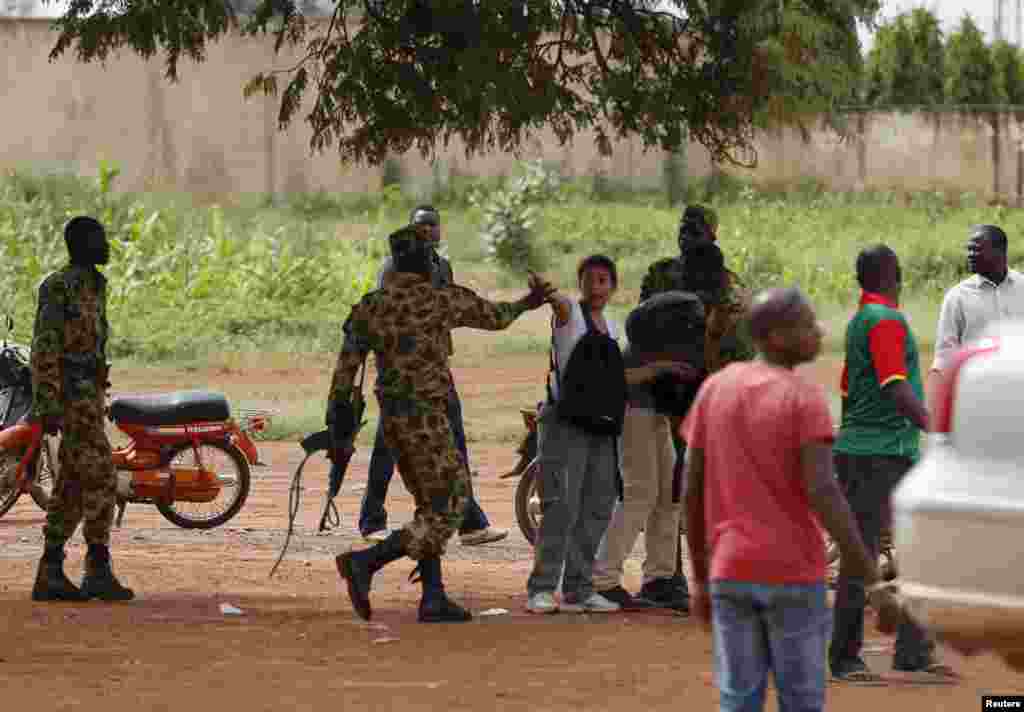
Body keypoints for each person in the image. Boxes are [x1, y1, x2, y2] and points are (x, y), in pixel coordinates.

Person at [331, 224, 555, 623]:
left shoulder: (370, 307)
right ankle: (366, 562)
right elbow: (495, 315)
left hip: (394, 422)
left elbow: (345, 374)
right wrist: (530, 301)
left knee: (428, 503)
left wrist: (338, 430)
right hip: (427, 417)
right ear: (426, 260)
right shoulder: (438, 300)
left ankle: (433, 597)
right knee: (452, 502)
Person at [683, 286, 887, 712]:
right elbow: (823, 491)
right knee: (801, 701)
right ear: (776, 335)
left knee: (738, 699)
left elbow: (692, 492)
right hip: (792, 573)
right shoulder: (803, 396)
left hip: (730, 571)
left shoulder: (715, 390)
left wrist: (702, 579)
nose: (818, 332)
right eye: (807, 325)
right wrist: (871, 578)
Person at [829, 244, 956, 681]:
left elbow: (848, 390)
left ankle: (912, 651)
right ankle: (846, 657)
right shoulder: (885, 320)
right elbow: (897, 389)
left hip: (877, 449)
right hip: (879, 453)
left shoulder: (860, 320)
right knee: (864, 555)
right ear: (894, 275)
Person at [359, 205, 507, 547]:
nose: (426, 231)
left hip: (436, 367)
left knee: (455, 439)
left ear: (439, 231)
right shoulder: (394, 267)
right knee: (387, 446)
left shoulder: (443, 267)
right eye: (419, 225)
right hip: (401, 373)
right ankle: (371, 520)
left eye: (431, 225)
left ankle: (471, 524)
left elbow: (451, 310)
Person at [29, 216, 134, 602]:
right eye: (100, 239)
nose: (106, 245)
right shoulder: (57, 287)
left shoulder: (96, 285)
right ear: (82, 244)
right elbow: (45, 347)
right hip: (70, 397)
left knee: (72, 483)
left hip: (90, 396)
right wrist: (47, 403)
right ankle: (98, 567)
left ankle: (51, 570)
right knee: (103, 475)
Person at [526, 255, 627, 615]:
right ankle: (541, 589)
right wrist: (547, 293)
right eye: (589, 279)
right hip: (565, 424)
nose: (596, 286)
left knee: (598, 507)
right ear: (580, 283)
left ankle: (579, 590)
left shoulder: (616, 328)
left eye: (603, 280)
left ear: (613, 286)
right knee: (561, 506)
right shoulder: (570, 316)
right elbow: (560, 304)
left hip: (601, 427)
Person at [591, 290, 705, 612]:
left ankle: (659, 578)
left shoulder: (665, 345)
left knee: (668, 496)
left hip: (654, 417)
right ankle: (603, 579)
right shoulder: (646, 352)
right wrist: (662, 368)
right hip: (633, 415)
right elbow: (617, 379)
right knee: (641, 492)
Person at [931, 224, 1024, 378]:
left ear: (1000, 251)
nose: (970, 255)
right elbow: (944, 355)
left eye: (977, 249)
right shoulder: (957, 297)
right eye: (969, 249)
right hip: (975, 389)